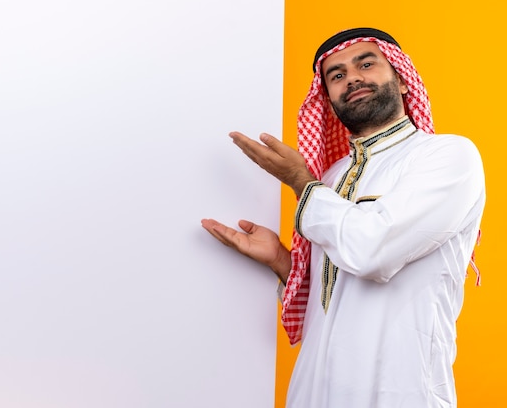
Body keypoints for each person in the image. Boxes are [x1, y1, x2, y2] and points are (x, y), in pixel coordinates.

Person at [201, 27, 485, 407]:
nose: (352, 77)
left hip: (399, 393)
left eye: (366, 63)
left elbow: (372, 251)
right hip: (315, 393)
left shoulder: (447, 157)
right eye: (336, 75)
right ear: (329, 99)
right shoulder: (331, 179)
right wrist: (284, 262)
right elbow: (331, 307)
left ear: (402, 80)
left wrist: (301, 182)